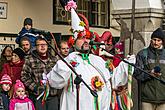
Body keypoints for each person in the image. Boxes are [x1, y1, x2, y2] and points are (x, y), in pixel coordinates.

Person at [46, 29, 111, 110]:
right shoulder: (68, 60)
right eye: (81, 38)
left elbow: (112, 82)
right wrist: (69, 59)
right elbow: (54, 82)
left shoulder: (98, 60)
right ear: (73, 42)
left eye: (88, 38)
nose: (86, 40)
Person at [21, 36, 59, 110]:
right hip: (38, 95)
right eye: (39, 45)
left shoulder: (54, 59)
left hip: (53, 94)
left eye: (44, 44)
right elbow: (24, 76)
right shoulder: (29, 59)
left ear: (48, 46)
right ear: (36, 47)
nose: (42, 46)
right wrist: (35, 87)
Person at [133, 28, 165, 110]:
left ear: (162, 41)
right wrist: (149, 74)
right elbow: (137, 73)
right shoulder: (143, 54)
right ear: (151, 40)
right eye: (154, 40)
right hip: (147, 98)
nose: (156, 42)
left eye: (159, 40)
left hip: (163, 98)